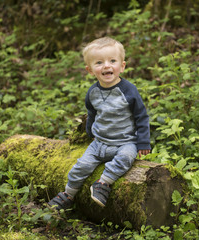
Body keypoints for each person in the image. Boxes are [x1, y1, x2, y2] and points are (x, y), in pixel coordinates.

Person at [48, 36, 151, 210]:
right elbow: (92, 113)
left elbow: (141, 116)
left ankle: (103, 183)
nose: (106, 66)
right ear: (90, 70)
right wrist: (90, 133)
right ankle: (68, 195)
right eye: (99, 62)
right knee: (80, 166)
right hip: (100, 143)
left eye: (112, 61)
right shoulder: (92, 92)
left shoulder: (128, 91)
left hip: (125, 142)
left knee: (126, 158)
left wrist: (143, 142)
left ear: (122, 66)